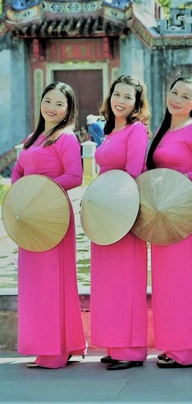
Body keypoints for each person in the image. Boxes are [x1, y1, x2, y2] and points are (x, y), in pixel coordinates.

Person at [12, 81, 86, 368]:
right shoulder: (32, 138)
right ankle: (48, 345)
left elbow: (75, 176)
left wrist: (42, 191)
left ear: (68, 110)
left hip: (53, 214)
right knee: (34, 284)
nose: (52, 108)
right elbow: (18, 171)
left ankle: (57, 350)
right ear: (40, 102)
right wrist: (23, 194)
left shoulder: (66, 138)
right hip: (29, 217)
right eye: (48, 101)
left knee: (53, 281)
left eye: (59, 104)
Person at [145, 75, 192, 368]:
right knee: (166, 282)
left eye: (186, 96)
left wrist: (177, 182)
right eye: (174, 92)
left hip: (186, 209)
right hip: (164, 211)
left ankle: (186, 350)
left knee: (185, 280)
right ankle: (172, 345)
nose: (177, 99)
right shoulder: (162, 131)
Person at [91, 75, 151, 370]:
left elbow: (134, 171)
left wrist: (119, 208)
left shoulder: (136, 130)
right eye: (117, 94)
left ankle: (132, 350)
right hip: (104, 213)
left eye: (128, 97)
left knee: (126, 282)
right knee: (108, 283)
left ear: (136, 103)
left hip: (123, 213)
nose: (120, 101)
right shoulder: (109, 131)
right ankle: (116, 346)